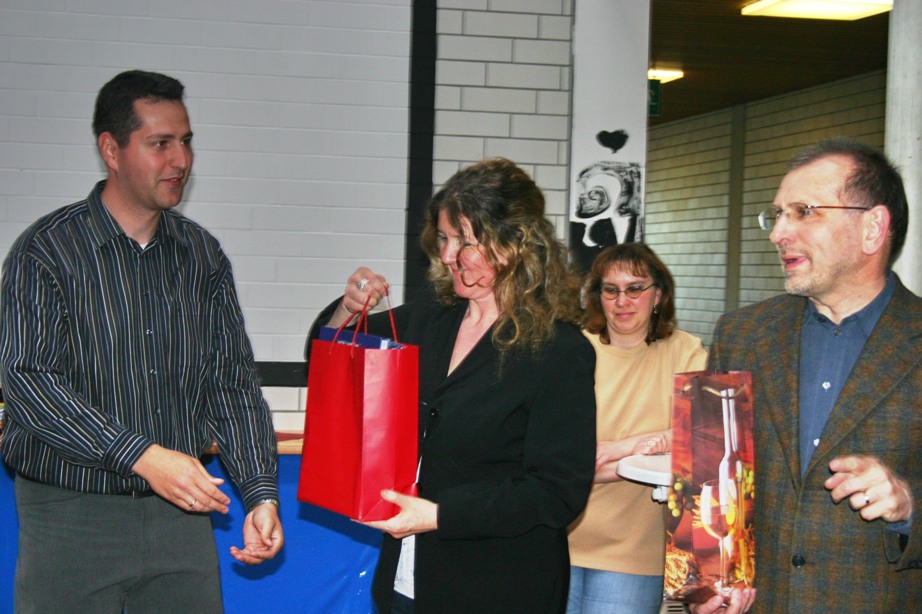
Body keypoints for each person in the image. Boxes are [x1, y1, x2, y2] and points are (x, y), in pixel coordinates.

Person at [0, 70, 283, 613]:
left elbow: (231, 385)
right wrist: (142, 456)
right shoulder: (47, 251)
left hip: (181, 516)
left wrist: (259, 493)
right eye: (160, 144)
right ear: (111, 149)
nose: (180, 160)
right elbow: (29, 383)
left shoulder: (203, 256)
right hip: (70, 516)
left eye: (186, 142)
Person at [307, 158, 597, 613]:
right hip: (408, 582)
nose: (446, 255)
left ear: (512, 244)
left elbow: (557, 492)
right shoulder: (431, 317)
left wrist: (440, 515)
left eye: (464, 241)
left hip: (498, 588)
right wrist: (349, 306)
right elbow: (329, 356)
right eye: (444, 238)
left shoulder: (559, 349)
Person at [706, 137, 922, 612]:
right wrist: (710, 579)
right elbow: (713, 473)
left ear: (872, 228)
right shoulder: (741, 334)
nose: (778, 233)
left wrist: (909, 503)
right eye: (777, 215)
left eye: (804, 212)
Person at [566, 243, 707, 614]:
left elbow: (708, 437)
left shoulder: (685, 351)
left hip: (633, 550)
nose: (622, 301)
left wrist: (620, 449)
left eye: (635, 289)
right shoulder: (571, 349)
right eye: (610, 290)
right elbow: (554, 455)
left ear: (658, 294)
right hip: (558, 536)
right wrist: (645, 454)